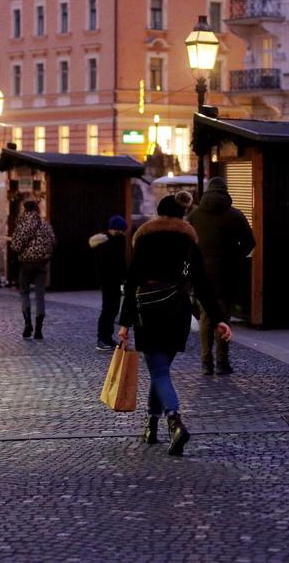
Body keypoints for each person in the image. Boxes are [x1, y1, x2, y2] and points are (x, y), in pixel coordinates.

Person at [118, 195, 232, 456]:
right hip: (178, 312)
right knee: (161, 370)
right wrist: (219, 320)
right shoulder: (188, 242)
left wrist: (124, 323)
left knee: (159, 372)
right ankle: (151, 425)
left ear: (158, 214)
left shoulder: (144, 239)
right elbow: (202, 283)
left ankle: (175, 422)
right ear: (181, 216)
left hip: (149, 313)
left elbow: (132, 281)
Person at [187, 177, 255, 375]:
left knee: (206, 318)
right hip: (226, 275)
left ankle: (206, 362)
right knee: (222, 317)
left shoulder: (195, 214)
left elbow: (187, 243)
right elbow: (250, 242)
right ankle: (222, 362)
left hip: (201, 275)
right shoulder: (235, 215)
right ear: (225, 191)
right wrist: (235, 255)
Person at [11, 199, 55, 340]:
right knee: (40, 295)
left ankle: (28, 323)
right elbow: (53, 242)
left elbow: (16, 246)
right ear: (37, 209)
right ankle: (39, 330)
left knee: (24, 292)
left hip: (26, 263)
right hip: (42, 263)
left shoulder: (22, 225)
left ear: (25, 209)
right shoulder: (45, 225)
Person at [89, 215, 128, 350]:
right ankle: (102, 338)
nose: (124, 233)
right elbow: (109, 264)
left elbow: (120, 262)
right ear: (116, 229)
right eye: (122, 230)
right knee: (108, 309)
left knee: (113, 309)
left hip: (114, 280)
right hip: (108, 280)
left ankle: (108, 337)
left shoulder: (116, 240)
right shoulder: (106, 242)